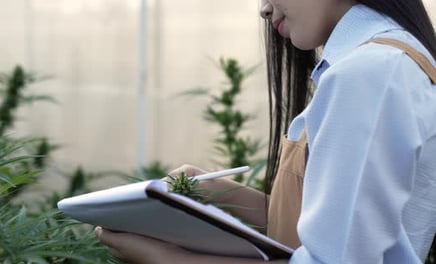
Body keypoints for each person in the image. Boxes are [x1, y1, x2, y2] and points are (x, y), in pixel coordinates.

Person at [95, 0, 436, 263]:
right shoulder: (384, 62)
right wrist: (215, 191)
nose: (264, 8)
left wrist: (170, 258)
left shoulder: (369, 73)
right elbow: (337, 225)